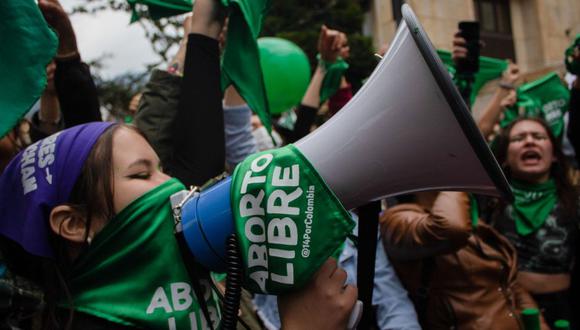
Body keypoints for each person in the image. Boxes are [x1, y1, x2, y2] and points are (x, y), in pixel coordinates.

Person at [380, 191, 549, 330]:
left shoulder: (474, 222)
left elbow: (509, 285)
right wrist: (457, 179)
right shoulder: (396, 219)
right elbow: (450, 228)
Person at [487, 117, 579, 327]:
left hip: (563, 309)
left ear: (554, 154)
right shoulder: (490, 201)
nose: (530, 141)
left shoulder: (574, 200)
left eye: (538, 137)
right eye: (519, 138)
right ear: (505, 158)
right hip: (503, 309)